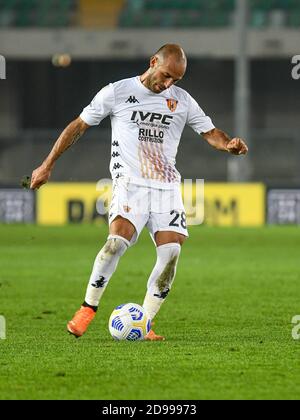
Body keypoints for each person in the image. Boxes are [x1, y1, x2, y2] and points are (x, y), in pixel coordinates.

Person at [30, 44, 248, 341]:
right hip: (130, 183)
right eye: (167, 75)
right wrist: (47, 165)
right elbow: (79, 126)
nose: (169, 84)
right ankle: (87, 308)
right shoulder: (117, 92)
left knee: (171, 252)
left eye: (176, 80)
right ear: (153, 62)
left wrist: (228, 144)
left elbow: (210, 132)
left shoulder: (181, 101)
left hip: (167, 187)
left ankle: (145, 322)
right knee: (115, 244)